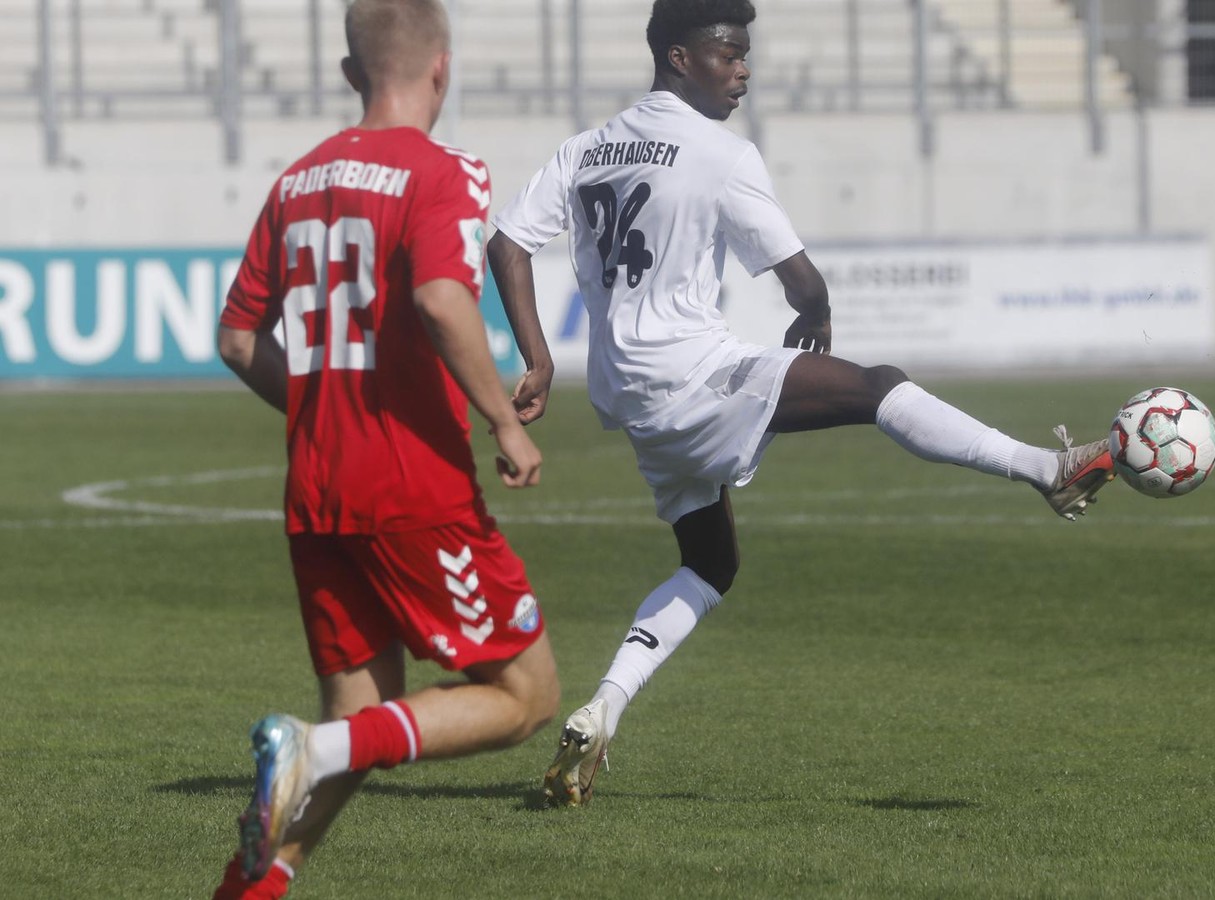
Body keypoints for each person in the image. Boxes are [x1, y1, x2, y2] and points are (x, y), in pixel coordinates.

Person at [487, 0, 1112, 808]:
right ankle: (1047, 469)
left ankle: (603, 706)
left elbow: (506, 241)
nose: (743, 69)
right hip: (694, 374)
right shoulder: (719, 153)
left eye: (745, 54)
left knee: (710, 565)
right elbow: (802, 280)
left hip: (633, 402)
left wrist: (539, 359)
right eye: (728, 54)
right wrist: (815, 314)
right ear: (679, 58)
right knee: (878, 385)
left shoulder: (586, 148)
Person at [210, 0, 559, 895]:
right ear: (442, 67)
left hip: (316, 486)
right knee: (527, 696)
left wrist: (321, 407)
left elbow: (239, 339)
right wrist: (504, 420)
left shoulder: (296, 182)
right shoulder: (446, 172)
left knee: (358, 721)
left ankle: (250, 887)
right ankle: (309, 748)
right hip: (413, 485)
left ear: (349, 73)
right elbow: (443, 299)